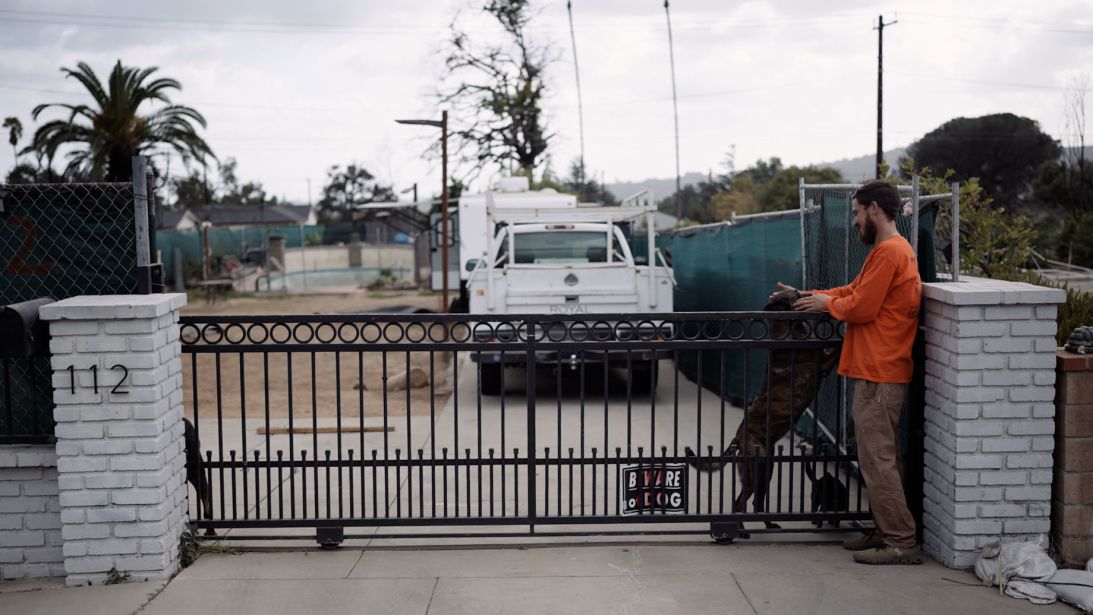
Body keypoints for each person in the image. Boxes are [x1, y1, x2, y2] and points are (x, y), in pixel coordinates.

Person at [776, 179, 923, 565]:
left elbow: (862, 307)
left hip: (880, 372)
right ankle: (883, 529)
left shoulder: (890, 252)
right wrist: (813, 298)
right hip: (877, 369)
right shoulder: (889, 251)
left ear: (874, 208)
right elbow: (854, 289)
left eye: (856, 212)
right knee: (876, 457)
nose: (855, 220)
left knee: (878, 460)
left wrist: (827, 304)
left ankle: (900, 541)